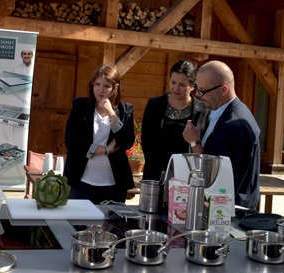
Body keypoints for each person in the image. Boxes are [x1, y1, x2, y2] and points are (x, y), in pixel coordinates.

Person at [183, 60, 260, 209]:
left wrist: (194, 143)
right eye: (197, 89)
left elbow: (212, 177)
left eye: (203, 91)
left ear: (223, 89)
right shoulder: (222, 112)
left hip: (229, 212)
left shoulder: (234, 125)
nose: (198, 95)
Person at [63, 64, 135, 204]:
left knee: (110, 225)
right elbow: (70, 141)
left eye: (106, 86)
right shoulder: (80, 106)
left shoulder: (125, 110)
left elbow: (127, 142)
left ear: (115, 88)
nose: (100, 90)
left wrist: (111, 114)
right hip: (80, 181)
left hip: (114, 184)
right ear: (92, 85)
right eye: (97, 84)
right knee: (79, 224)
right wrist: (104, 150)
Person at [141, 60, 205, 181]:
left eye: (182, 85)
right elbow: (146, 141)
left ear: (192, 86)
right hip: (156, 175)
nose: (176, 88)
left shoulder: (202, 110)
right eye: (173, 82)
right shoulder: (154, 104)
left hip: (187, 177)